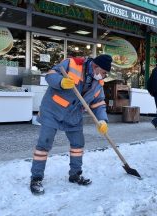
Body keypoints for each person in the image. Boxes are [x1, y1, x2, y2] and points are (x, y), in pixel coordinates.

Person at [30, 55, 112, 195]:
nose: (103, 76)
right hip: (53, 110)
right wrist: (60, 82)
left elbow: (99, 103)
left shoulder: (98, 84)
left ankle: (75, 174)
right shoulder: (72, 63)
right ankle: (36, 178)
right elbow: (50, 75)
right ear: (96, 66)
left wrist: (102, 120)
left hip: (73, 115)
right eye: (104, 72)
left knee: (78, 144)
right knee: (44, 144)